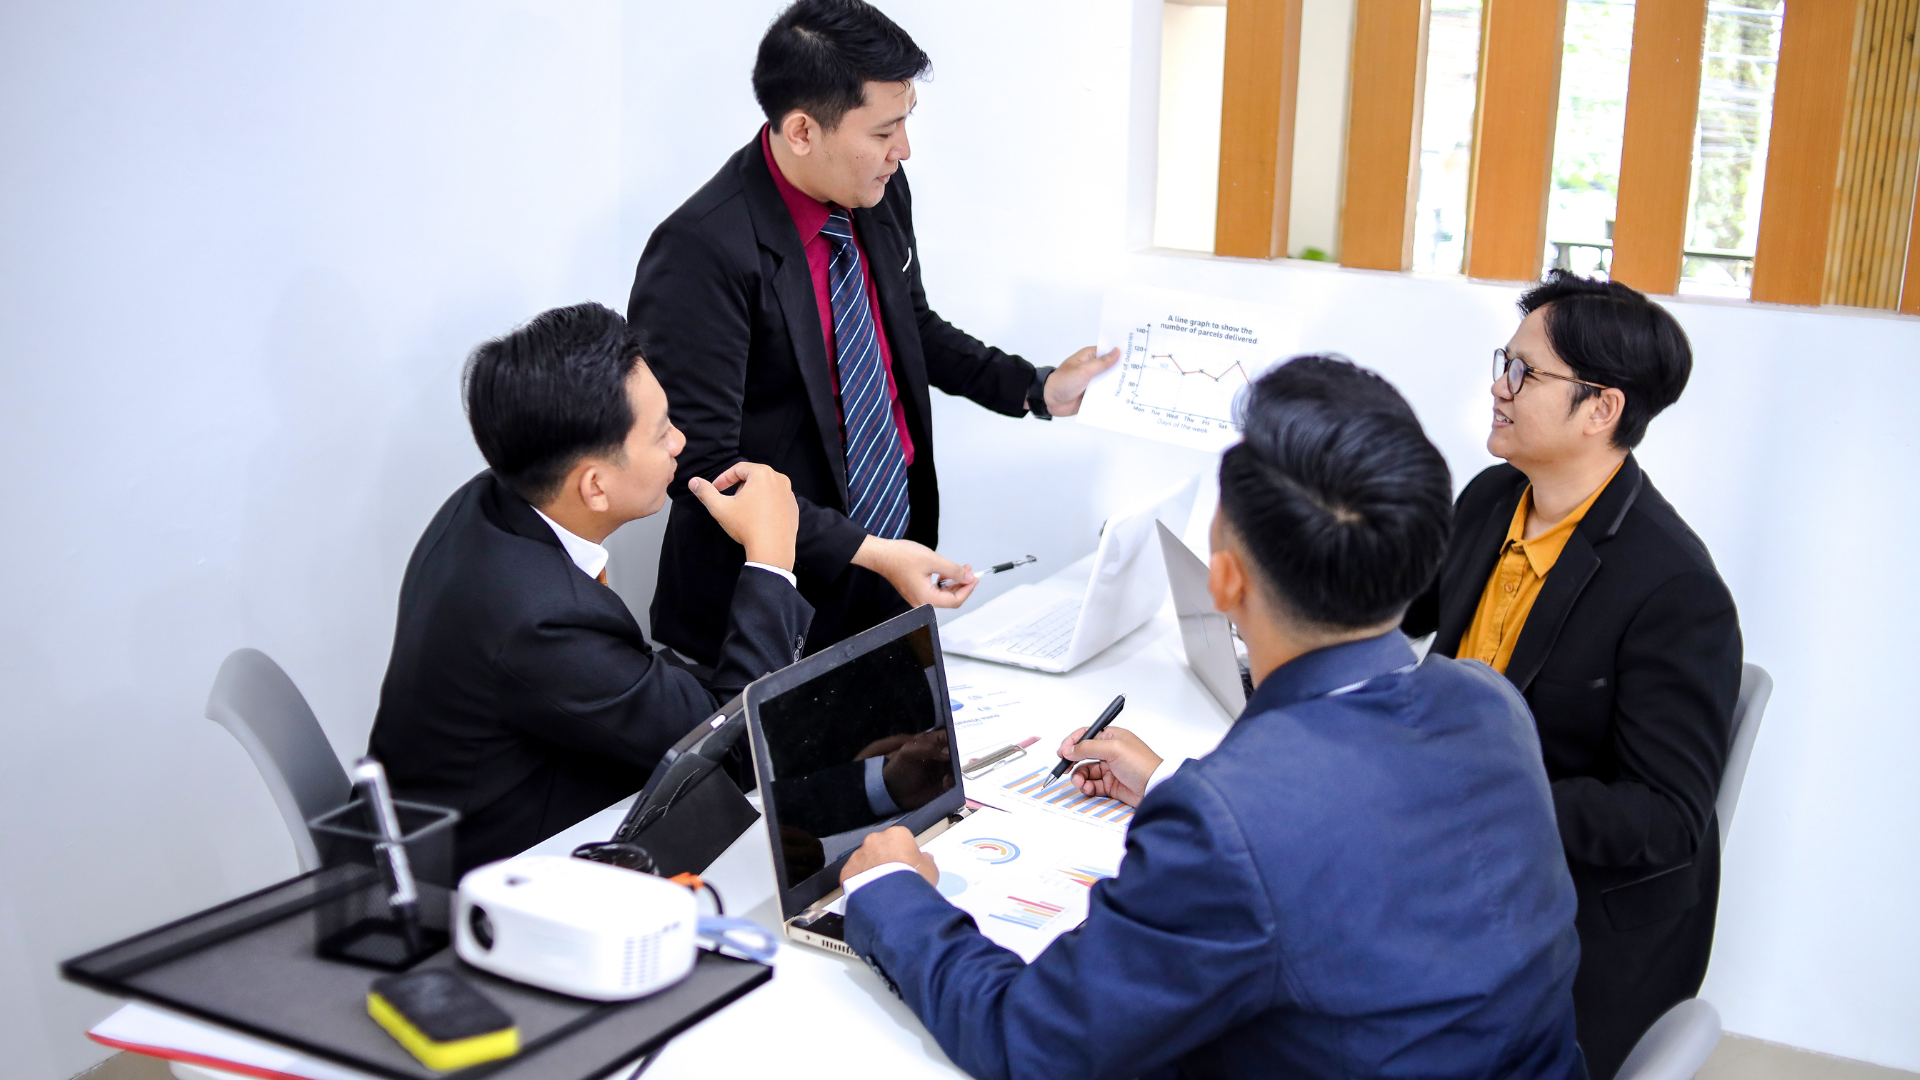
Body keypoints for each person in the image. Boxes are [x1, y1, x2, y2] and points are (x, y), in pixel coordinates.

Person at [837, 357, 1587, 1080]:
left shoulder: (1232, 821)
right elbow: (1357, 858)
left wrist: (893, 894)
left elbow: (1033, 1040)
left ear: (1224, 582)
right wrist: (1172, 784)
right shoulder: (1488, 703)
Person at [627, 0, 1118, 669]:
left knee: (905, 769)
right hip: (766, 608)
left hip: (890, 561)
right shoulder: (700, 250)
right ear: (802, 130)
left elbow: (908, 328)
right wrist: (872, 552)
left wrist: (1035, 389)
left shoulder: (876, 191)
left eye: (906, 122)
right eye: (885, 130)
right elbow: (706, 465)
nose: (904, 150)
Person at [1402, 271, 1742, 1080]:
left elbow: (1666, 819)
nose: (1499, 385)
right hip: (1451, 859)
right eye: (1504, 362)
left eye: (1525, 372)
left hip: (1567, 922)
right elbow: (1403, 609)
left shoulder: (1674, 589)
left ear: (1602, 409)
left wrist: (1469, 796)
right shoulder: (1495, 498)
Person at [367, 303, 813, 875]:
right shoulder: (540, 618)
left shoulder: (490, 500)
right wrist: (772, 557)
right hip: (488, 876)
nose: (681, 441)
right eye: (660, 435)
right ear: (595, 486)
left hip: (530, 773)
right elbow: (733, 754)